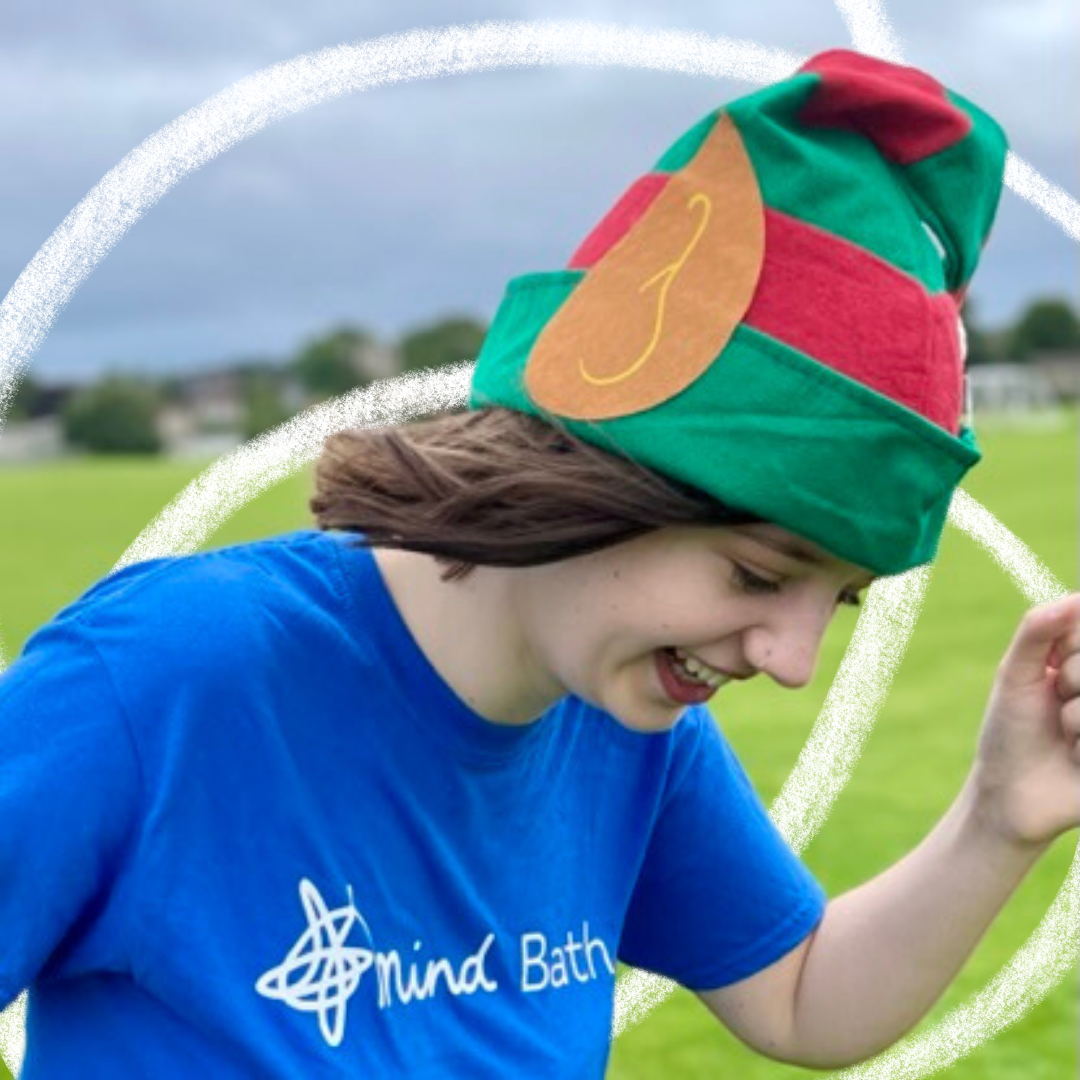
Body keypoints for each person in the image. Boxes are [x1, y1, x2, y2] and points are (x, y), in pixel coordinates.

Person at [1, 47, 1078, 1079]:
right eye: (755, 574)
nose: (793, 659)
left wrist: (999, 814)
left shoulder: (628, 732)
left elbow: (798, 992)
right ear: (602, 470)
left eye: (836, 602)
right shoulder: (164, 679)